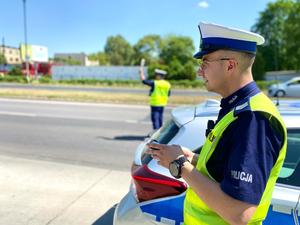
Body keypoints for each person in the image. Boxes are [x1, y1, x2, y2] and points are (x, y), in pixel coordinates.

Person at [147, 22, 287, 225]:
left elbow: (239, 214)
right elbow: (227, 169)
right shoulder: (238, 107)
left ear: (230, 65)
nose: (199, 72)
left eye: (205, 63)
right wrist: (193, 159)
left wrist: (179, 164)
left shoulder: (254, 118)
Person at [139, 63, 171, 130]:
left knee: (155, 119)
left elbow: (144, 81)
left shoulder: (155, 83)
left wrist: (141, 72)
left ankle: (155, 134)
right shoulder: (167, 84)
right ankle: (160, 133)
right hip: (162, 104)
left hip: (155, 104)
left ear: (160, 76)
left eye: (157, 75)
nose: (156, 76)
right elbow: (168, 94)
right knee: (160, 119)